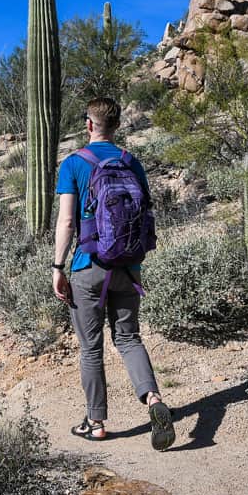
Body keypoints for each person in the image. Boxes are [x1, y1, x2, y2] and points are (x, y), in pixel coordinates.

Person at [51, 97, 175, 449]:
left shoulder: (74, 163)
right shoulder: (131, 163)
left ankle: (96, 422)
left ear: (89, 124)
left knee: (91, 348)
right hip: (129, 267)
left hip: (88, 266)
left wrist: (58, 266)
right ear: (117, 125)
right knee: (129, 338)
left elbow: (67, 221)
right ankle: (153, 399)